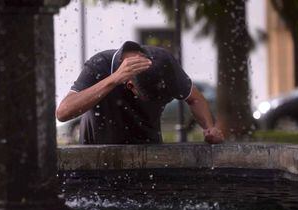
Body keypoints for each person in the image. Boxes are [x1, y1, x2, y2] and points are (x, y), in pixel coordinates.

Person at [56, 41, 223, 144]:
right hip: (97, 154)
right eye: (148, 100)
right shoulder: (99, 65)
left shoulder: (164, 62)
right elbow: (63, 113)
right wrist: (113, 79)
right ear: (130, 86)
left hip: (148, 153)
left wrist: (210, 128)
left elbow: (194, 98)